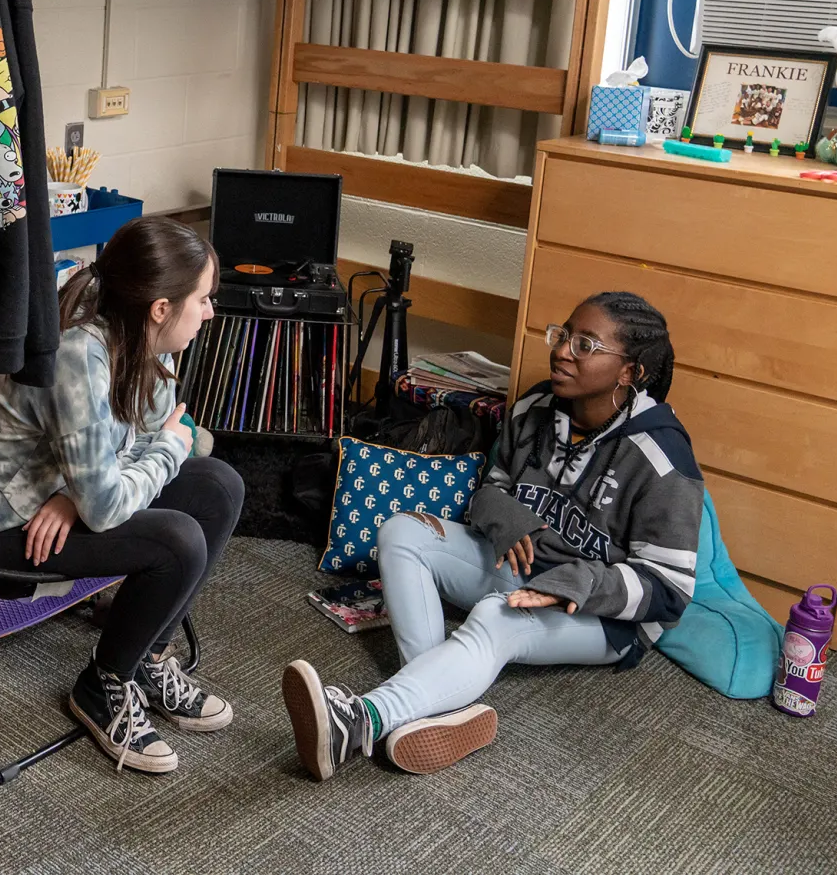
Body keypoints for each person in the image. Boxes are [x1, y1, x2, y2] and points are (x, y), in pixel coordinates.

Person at [281, 291, 702, 780]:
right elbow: (490, 488)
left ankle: (360, 721)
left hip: (599, 615)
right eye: (564, 334)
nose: (563, 350)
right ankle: (436, 707)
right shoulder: (535, 407)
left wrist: (577, 583)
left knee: (493, 619)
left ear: (629, 372)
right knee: (399, 532)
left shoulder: (663, 459)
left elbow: (671, 590)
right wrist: (506, 515)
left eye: (585, 344)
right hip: (519, 566)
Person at [0, 215, 244, 773]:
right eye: (203, 299)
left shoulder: (149, 342)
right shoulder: (77, 355)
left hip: (51, 504)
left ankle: (150, 655)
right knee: (177, 539)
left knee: (220, 486)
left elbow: (150, 444)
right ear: (161, 307)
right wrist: (149, 459)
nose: (210, 311)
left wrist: (71, 492)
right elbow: (124, 488)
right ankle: (104, 684)